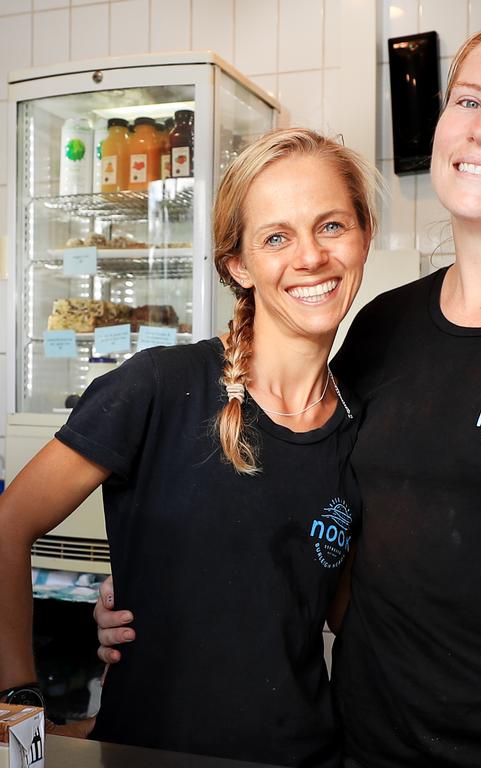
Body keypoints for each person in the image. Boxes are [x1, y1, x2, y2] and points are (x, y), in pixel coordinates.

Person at [96, 16, 481, 768]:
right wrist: (159, 597)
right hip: (363, 749)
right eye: (467, 101)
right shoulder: (381, 329)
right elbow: (306, 525)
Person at [0, 127, 378, 766]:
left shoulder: (361, 430)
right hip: (146, 752)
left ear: (363, 235)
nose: (311, 257)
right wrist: (20, 717)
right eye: (277, 237)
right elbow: (9, 525)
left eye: (332, 226)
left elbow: (346, 616)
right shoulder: (159, 387)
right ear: (238, 264)